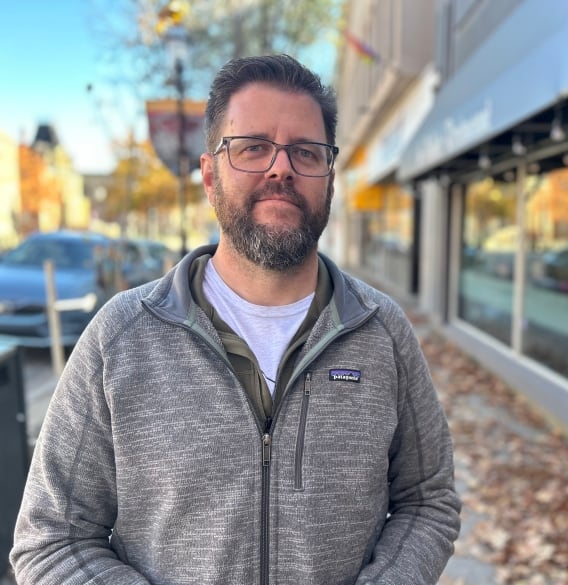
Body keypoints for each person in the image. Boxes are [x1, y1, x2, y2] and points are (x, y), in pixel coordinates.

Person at [11, 54, 461, 585]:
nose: (281, 168)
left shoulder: (381, 332)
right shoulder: (121, 338)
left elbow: (428, 502)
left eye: (306, 152)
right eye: (253, 148)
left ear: (329, 179)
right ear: (208, 175)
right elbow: (51, 539)